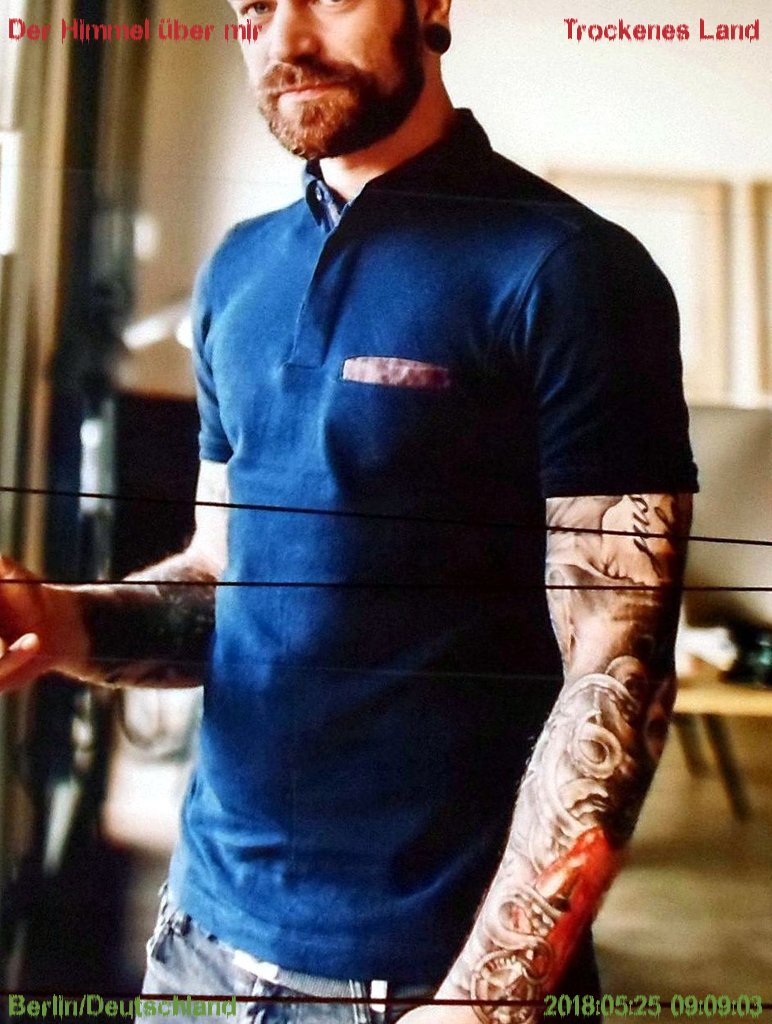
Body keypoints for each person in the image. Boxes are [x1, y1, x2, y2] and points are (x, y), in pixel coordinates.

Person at [0, 1, 698, 1022]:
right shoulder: (240, 269)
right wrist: (60, 621)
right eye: (253, 7)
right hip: (197, 948)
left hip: (431, 977)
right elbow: (223, 581)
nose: (284, 42)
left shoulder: (572, 273)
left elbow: (617, 674)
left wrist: (486, 1000)